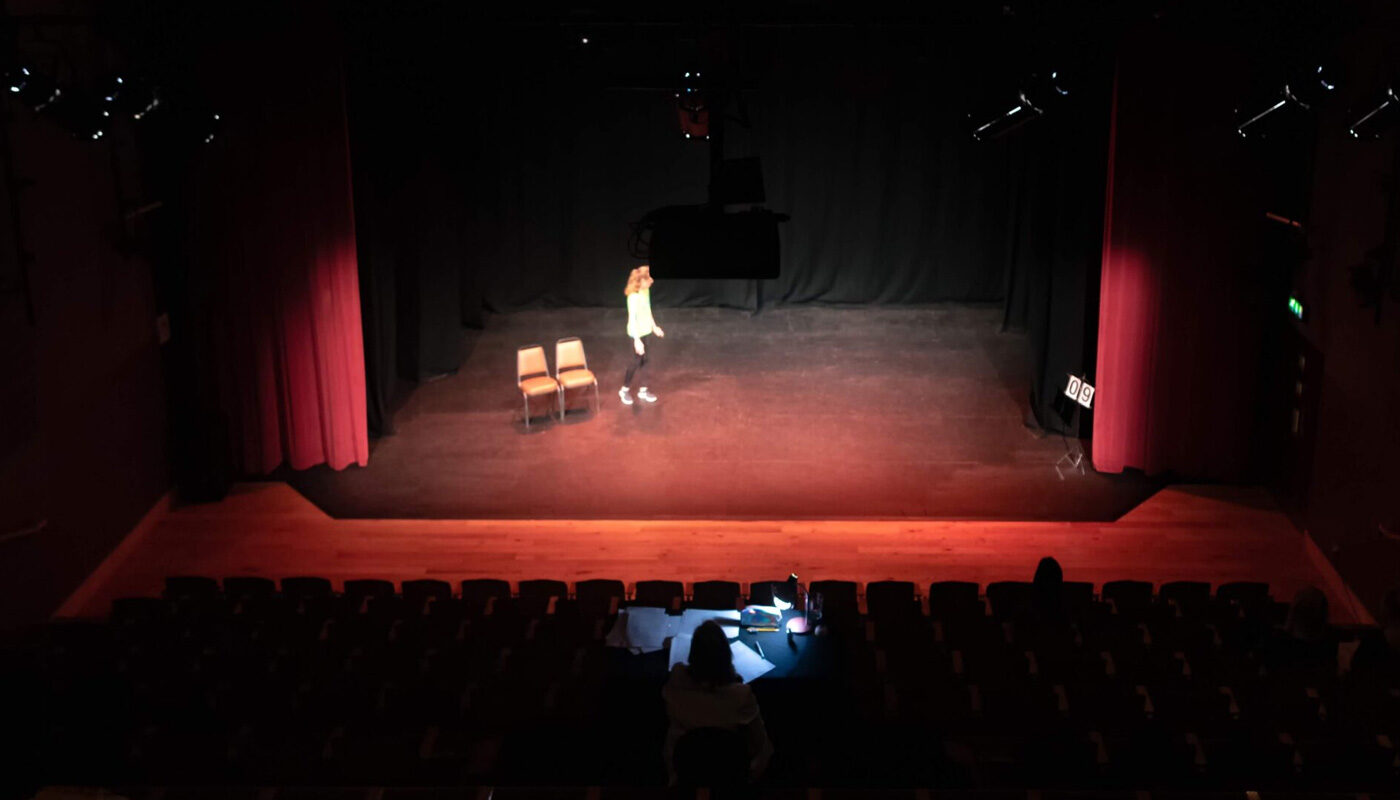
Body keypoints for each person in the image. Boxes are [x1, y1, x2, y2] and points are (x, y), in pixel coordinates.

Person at [662, 620, 773, 785]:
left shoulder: (676, 684)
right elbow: (762, 746)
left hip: (685, 774)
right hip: (731, 778)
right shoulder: (740, 696)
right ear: (726, 656)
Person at [620, 265, 665, 406]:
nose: (652, 281)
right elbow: (632, 319)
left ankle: (643, 391)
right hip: (636, 334)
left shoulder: (646, 291)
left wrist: (654, 326)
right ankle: (624, 390)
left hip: (646, 331)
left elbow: (648, 310)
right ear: (642, 280)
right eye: (649, 279)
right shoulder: (633, 297)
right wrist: (637, 340)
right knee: (636, 361)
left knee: (645, 361)